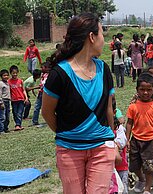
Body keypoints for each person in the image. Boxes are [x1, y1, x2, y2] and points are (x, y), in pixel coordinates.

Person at [41, 13, 120, 193]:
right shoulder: (59, 74)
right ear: (91, 37)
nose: (104, 40)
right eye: (101, 34)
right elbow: (47, 112)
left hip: (102, 147)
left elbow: (109, 110)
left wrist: (112, 141)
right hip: (69, 150)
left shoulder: (103, 69)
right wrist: (69, 134)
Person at [126, 73, 153, 194]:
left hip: (150, 141)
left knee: (149, 166)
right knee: (134, 165)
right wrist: (127, 139)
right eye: (142, 90)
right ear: (137, 90)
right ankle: (141, 180)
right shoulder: (133, 106)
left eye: (149, 90)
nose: (146, 93)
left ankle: (147, 188)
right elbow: (129, 123)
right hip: (135, 139)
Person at [8, 65, 28, 131]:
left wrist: (26, 98)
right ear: (10, 73)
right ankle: (17, 124)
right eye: (13, 73)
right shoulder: (9, 82)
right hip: (13, 100)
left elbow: (23, 90)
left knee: (20, 112)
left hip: (21, 99)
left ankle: (18, 125)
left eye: (16, 73)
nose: (15, 74)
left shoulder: (20, 81)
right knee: (15, 112)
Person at [32, 61, 51, 126]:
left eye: (42, 67)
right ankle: (34, 121)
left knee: (47, 107)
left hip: (46, 93)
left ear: (46, 68)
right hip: (41, 92)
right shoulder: (42, 75)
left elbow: (44, 84)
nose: (41, 68)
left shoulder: (49, 75)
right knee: (37, 107)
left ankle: (49, 120)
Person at [0, 69, 11, 134]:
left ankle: (5, 128)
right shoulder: (1, 84)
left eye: (7, 75)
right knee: (2, 116)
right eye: (4, 75)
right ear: (1, 76)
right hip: (3, 101)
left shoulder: (7, 83)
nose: (6, 77)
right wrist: (1, 103)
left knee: (7, 115)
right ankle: (1, 130)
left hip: (7, 101)